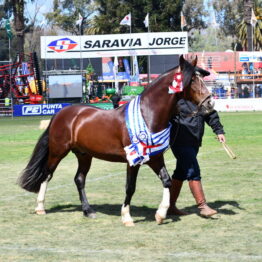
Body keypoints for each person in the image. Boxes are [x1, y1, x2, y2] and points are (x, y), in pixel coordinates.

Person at [168, 70, 226, 218]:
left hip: (194, 141)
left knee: (180, 173)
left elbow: (211, 114)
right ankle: (202, 206)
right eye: (196, 78)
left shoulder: (199, 95)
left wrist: (218, 131)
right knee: (193, 170)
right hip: (179, 140)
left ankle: (170, 206)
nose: (200, 80)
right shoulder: (177, 96)